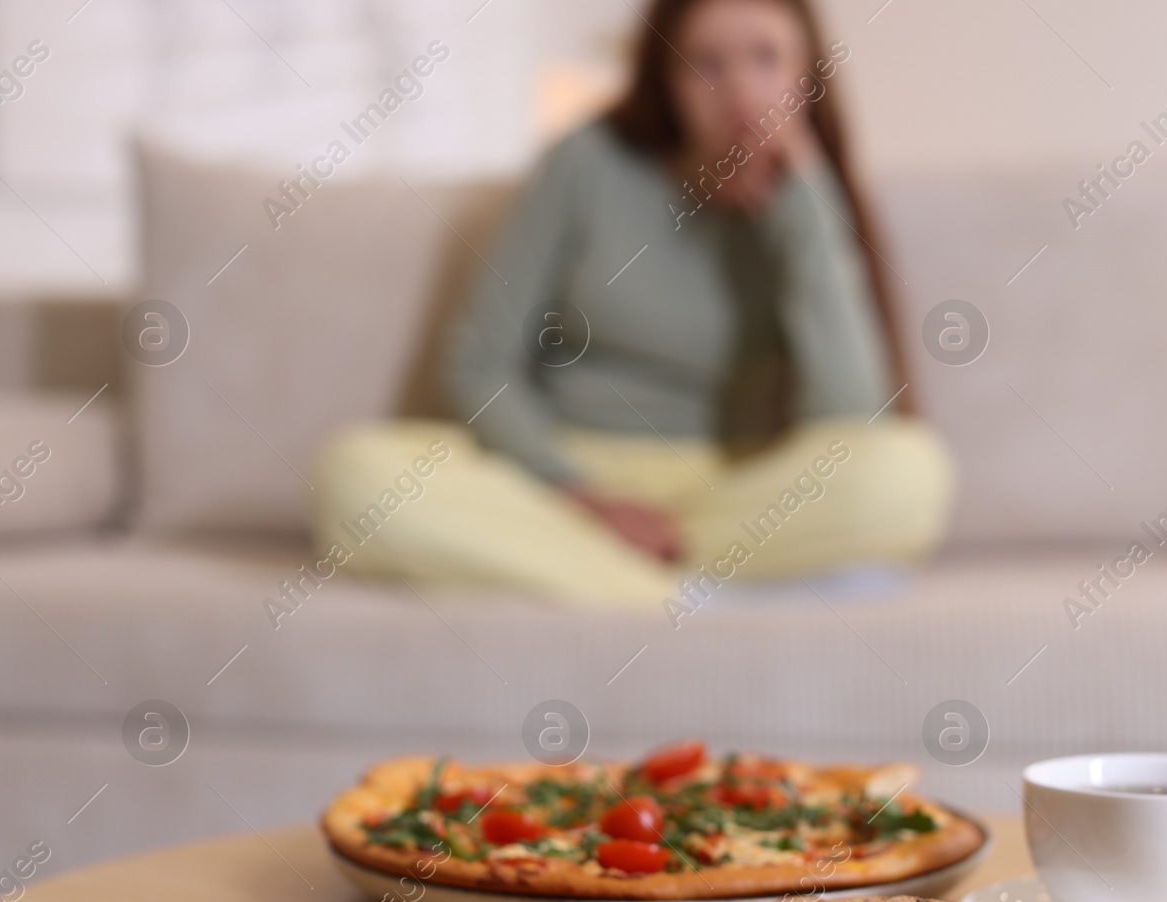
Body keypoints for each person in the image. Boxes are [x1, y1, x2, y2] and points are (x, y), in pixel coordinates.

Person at [314, 0, 952, 607]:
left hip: (727, 495)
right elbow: (479, 367)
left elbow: (849, 422)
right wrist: (581, 496)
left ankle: (608, 585)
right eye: (706, 63)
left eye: (766, 58)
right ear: (666, 76)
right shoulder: (584, 163)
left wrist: (804, 204)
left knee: (910, 474)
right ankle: (688, 597)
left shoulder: (810, 205)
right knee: (353, 476)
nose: (738, 89)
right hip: (565, 481)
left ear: (807, 73)